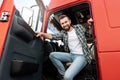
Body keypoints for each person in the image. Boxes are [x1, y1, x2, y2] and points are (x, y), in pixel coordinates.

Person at [35, 15, 92, 80]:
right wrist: (42, 34)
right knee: (52, 55)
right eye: (62, 23)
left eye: (66, 22)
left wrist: (90, 26)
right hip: (71, 55)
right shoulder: (63, 33)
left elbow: (89, 34)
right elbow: (52, 36)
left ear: (70, 21)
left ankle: (66, 77)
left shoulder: (79, 27)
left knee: (67, 77)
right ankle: (63, 74)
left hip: (82, 56)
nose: (65, 24)